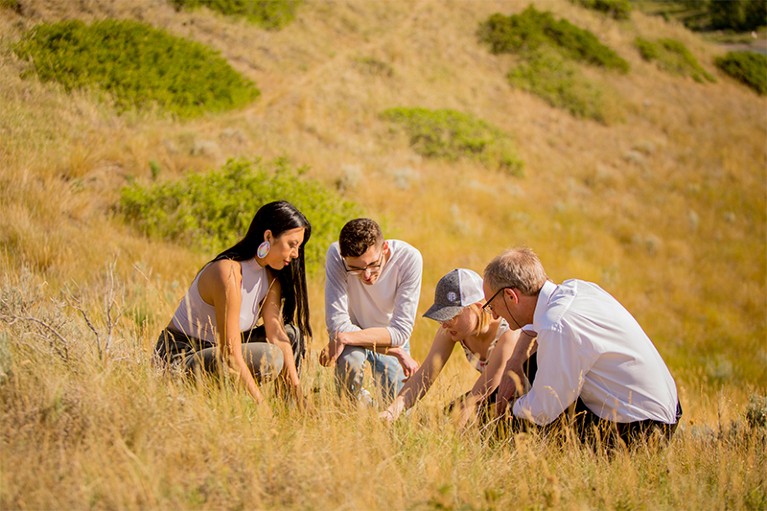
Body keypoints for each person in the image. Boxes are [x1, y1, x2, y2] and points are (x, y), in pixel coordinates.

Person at [483, 247, 682, 447]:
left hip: (643, 431)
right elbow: (534, 324)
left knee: (517, 425)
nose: (495, 316)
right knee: (534, 366)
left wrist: (506, 412)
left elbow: (542, 410)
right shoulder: (577, 289)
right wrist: (515, 360)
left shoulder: (558, 325)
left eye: (492, 305)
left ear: (511, 296)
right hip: (665, 412)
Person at [154, 200, 312, 409]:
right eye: (292, 244)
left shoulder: (270, 278)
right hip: (182, 355)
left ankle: (290, 411)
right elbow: (230, 353)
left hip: (216, 352)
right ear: (268, 236)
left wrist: (297, 393)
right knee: (270, 357)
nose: (295, 254)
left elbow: (277, 337)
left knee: (290, 335)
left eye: (298, 247)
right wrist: (262, 408)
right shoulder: (228, 273)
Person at [380, 268, 530, 427]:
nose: (444, 323)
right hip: (492, 397)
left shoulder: (508, 333)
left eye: (452, 316)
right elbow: (425, 374)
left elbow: (483, 392)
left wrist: (451, 438)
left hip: (527, 401)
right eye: (441, 317)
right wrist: (392, 411)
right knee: (437, 421)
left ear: (478, 308)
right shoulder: (451, 329)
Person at [319, 218, 422, 405]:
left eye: (374, 264)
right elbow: (337, 325)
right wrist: (396, 352)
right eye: (355, 269)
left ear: (385, 249)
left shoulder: (410, 259)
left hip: (385, 335)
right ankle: (358, 410)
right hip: (366, 340)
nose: (366, 275)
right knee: (351, 369)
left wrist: (345, 337)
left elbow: (400, 332)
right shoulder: (336, 255)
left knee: (397, 414)